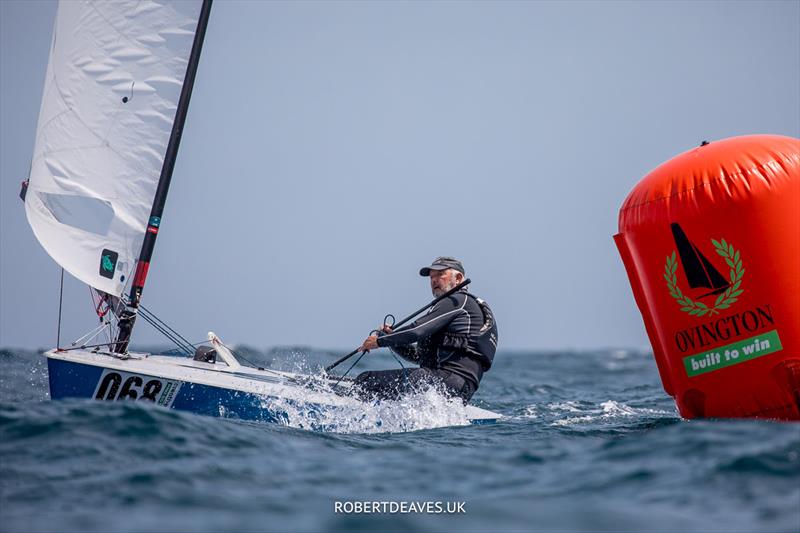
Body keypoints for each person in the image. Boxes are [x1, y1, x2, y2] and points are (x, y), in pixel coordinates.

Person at [353, 256, 498, 404]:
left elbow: (417, 330)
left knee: (366, 381)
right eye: (431, 277)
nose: (434, 280)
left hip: (443, 380)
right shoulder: (465, 307)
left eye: (440, 274)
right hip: (460, 390)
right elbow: (418, 357)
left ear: (458, 278)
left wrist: (380, 341)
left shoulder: (457, 301)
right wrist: (393, 340)